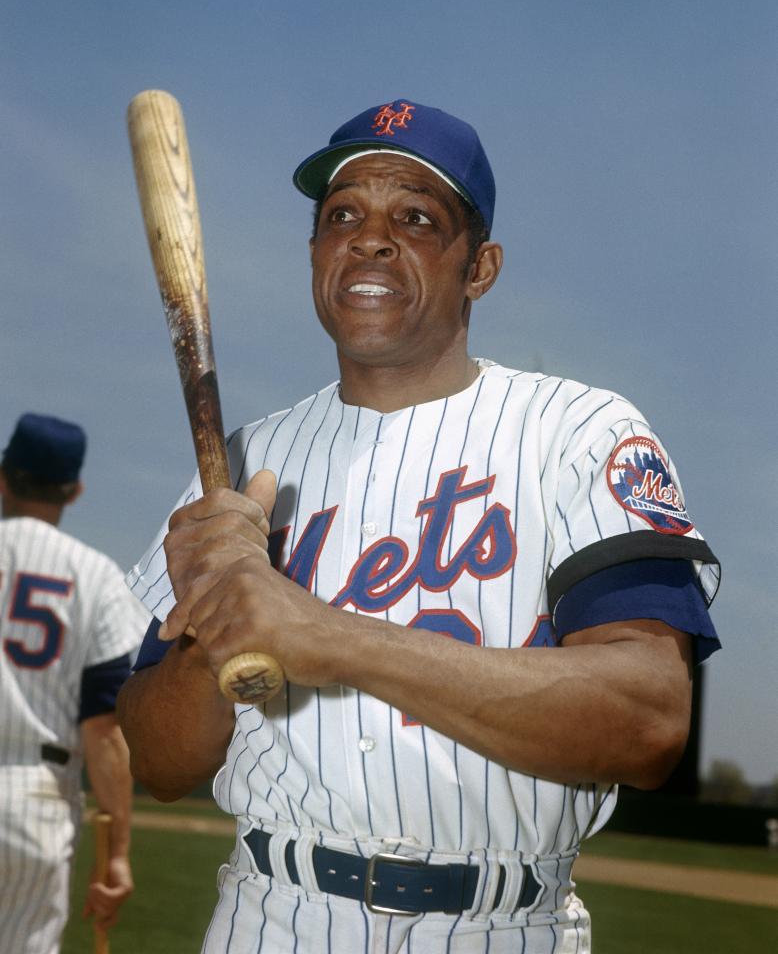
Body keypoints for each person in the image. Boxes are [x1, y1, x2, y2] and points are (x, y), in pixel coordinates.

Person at [117, 99, 721, 953]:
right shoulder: (247, 457)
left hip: (509, 925)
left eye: (415, 217)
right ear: (318, 255)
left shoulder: (581, 432)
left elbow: (647, 719)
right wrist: (209, 628)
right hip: (272, 914)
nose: (369, 237)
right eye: (341, 216)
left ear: (481, 268)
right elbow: (162, 764)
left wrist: (327, 636)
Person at [0, 413, 150, 954]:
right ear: (76, 490)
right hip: (31, 799)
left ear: (3, 475)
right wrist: (116, 854)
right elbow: (105, 728)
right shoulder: (95, 576)